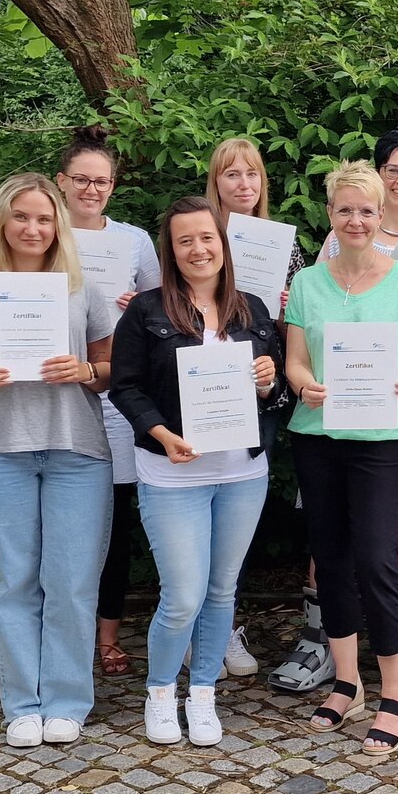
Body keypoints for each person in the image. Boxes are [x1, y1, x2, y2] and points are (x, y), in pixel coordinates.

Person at [0, 173, 115, 748]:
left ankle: (66, 700)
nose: (33, 228)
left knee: (71, 582)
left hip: (76, 450)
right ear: (2, 222)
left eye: (43, 218)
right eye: (21, 216)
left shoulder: (81, 287)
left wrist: (86, 372)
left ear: (57, 225)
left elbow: (111, 368)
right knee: (12, 582)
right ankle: (22, 703)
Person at [109, 196, 288, 746]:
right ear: (171, 250)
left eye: (206, 238)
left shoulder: (253, 309)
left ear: (223, 243)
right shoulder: (146, 310)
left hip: (241, 472)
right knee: (182, 594)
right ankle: (161, 692)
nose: (198, 249)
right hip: (172, 473)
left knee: (221, 591)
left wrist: (267, 380)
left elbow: (277, 393)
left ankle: (204, 691)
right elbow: (126, 386)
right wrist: (162, 435)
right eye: (185, 240)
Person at [277, 128, 398, 690]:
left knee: (378, 559)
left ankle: (394, 689)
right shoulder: (306, 281)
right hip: (317, 432)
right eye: (346, 210)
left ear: (383, 214)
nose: (357, 220)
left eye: (367, 211)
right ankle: (348, 684)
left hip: (380, 435)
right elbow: (295, 361)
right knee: (329, 560)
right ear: (330, 212)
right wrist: (305, 386)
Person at [56, 126, 163, 680]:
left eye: (101, 182)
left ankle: (107, 635)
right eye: (82, 180)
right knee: (69, 522)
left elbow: (167, 311)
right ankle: (64, 633)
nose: (91, 189)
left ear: (113, 187)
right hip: (53, 392)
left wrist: (139, 302)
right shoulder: (44, 234)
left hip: (117, 394)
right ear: (62, 183)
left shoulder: (135, 241)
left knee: (116, 525)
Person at [205, 136, 305, 683]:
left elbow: (297, 334)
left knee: (239, 518)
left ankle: (229, 625)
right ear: (215, 182)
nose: (243, 185)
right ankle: (205, 628)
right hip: (200, 394)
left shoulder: (282, 245)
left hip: (260, 392)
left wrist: (294, 308)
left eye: (252, 176)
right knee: (197, 509)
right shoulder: (196, 234)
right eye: (231, 175)